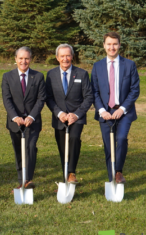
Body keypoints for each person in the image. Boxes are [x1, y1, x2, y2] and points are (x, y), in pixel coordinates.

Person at [91, 32, 140, 183]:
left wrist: (122, 109)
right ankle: (111, 176)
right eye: (109, 44)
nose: (112, 47)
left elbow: (134, 89)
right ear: (104, 45)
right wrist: (101, 110)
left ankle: (118, 171)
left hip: (124, 111)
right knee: (108, 145)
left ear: (119, 45)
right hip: (105, 112)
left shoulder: (129, 65)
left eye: (115, 44)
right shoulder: (97, 66)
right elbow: (94, 91)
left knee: (121, 138)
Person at [45, 44, 93, 186]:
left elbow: (89, 97)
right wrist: (59, 113)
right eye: (62, 56)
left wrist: (77, 114)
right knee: (62, 146)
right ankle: (66, 173)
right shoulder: (51, 74)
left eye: (68, 55)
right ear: (57, 58)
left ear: (72, 56)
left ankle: (71, 172)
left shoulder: (81, 74)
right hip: (59, 117)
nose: (65, 59)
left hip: (76, 117)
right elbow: (48, 97)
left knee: (74, 138)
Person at [2, 46, 46, 192]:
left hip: (33, 122)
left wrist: (31, 116)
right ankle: (21, 179)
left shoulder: (38, 76)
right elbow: (6, 99)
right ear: (15, 59)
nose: (23, 61)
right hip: (15, 123)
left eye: (26, 58)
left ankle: (28, 180)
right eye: (20, 58)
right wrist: (15, 117)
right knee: (19, 151)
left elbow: (41, 99)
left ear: (30, 59)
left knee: (30, 148)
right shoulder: (7, 77)